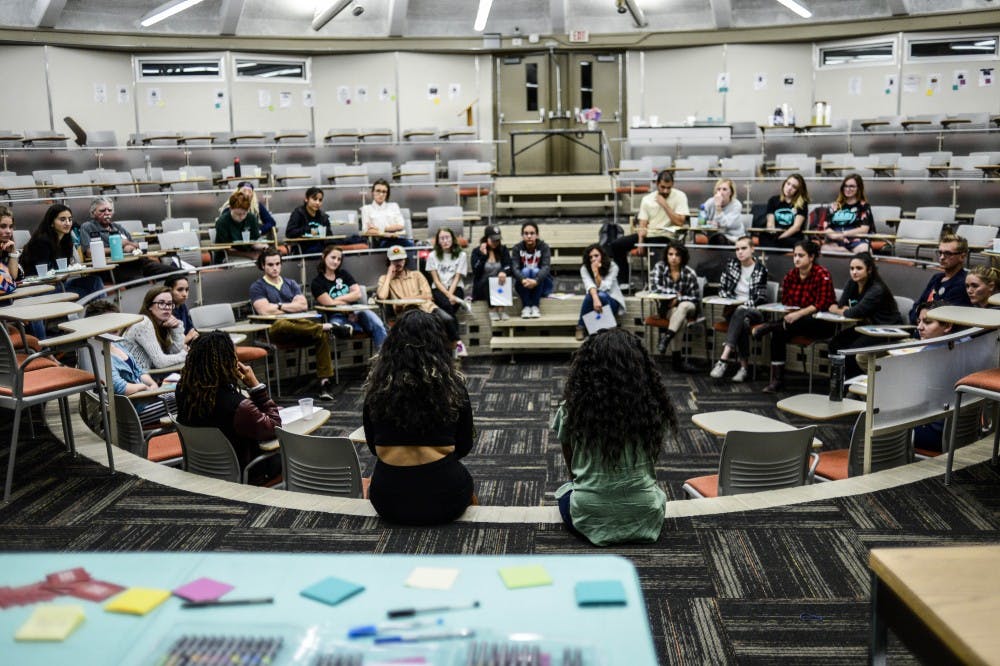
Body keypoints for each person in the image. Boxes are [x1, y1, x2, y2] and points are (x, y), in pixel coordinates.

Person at [553, 327, 677, 546]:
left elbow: (571, 464)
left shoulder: (572, 410)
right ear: (639, 368)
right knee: (652, 490)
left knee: (565, 494)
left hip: (588, 512)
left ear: (588, 368)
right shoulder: (652, 409)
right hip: (646, 512)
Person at [362, 309, 475, 525]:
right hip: (445, 496)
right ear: (437, 344)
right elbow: (465, 445)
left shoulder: (376, 387)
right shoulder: (453, 385)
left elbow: (372, 446)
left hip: (388, 499)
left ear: (392, 344)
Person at [175, 331, 282, 478]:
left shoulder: (183, 390)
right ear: (229, 361)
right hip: (247, 472)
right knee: (293, 453)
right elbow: (275, 428)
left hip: (203, 470)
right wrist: (256, 387)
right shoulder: (239, 407)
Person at [250, 248, 344, 401]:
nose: (275, 268)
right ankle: (322, 327)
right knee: (282, 323)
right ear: (262, 266)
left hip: (300, 328)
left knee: (321, 335)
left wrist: (278, 306)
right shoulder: (257, 287)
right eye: (270, 264)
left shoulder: (290, 283)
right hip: (273, 331)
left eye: (278, 264)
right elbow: (264, 311)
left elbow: (303, 305)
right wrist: (289, 306)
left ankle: (324, 383)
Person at [752, 240, 836, 393]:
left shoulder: (822, 274)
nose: (796, 259)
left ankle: (771, 325)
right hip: (794, 322)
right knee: (778, 334)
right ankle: (777, 380)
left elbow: (823, 303)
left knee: (801, 319)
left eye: (801, 255)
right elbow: (787, 302)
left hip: (820, 323)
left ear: (811, 257)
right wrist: (795, 313)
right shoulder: (791, 275)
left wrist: (799, 312)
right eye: (795, 255)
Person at [86, 299, 176, 429]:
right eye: (109, 322)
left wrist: (152, 383)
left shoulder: (117, 343)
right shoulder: (99, 354)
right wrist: (144, 388)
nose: (115, 326)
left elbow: (139, 371)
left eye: (115, 320)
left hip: (147, 399)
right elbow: (119, 388)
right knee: (185, 397)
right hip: (135, 412)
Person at [827, 253, 903, 376]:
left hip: (885, 329)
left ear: (869, 270)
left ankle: (851, 386)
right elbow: (842, 305)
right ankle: (837, 379)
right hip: (866, 327)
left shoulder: (877, 289)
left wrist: (840, 310)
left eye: (859, 268)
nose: (854, 272)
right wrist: (845, 310)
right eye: (852, 269)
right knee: (835, 343)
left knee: (852, 351)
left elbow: (853, 312)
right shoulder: (852, 283)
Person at [611, 170, 690, 284]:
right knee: (616, 245)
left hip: (666, 235)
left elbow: (680, 222)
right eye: (662, 187)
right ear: (657, 184)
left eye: (668, 188)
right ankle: (624, 282)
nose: (665, 191)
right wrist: (641, 242)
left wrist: (665, 205)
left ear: (672, 185)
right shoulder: (647, 199)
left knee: (656, 244)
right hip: (649, 234)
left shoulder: (680, 196)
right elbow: (643, 224)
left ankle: (655, 282)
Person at [708, 236, 769, 383]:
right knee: (743, 323)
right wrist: (732, 300)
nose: (739, 252)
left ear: (752, 249)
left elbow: (760, 298)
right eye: (737, 249)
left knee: (741, 311)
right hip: (734, 311)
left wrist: (743, 303)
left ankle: (724, 358)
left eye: (743, 248)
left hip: (755, 311)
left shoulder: (761, 269)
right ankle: (744, 368)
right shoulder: (731, 265)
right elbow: (722, 290)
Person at [376, 245, 460, 345]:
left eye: (400, 259)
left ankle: (454, 349)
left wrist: (405, 299)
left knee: (448, 319)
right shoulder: (384, 278)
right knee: (422, 328)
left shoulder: (417, 275)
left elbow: (428, 295)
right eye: (395, 260)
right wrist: (389, 275)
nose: (398, 263)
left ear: (405, 260)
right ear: (389, 262)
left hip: (427, 308)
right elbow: (382, 296)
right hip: (406, 312)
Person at [310, 244, 388, 349]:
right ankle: (353, 327)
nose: (336, 262)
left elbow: (358, 294)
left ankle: (385, 358)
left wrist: (338, 299)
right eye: (333, 258)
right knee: (339, 328)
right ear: (324, 256)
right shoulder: (317, 283)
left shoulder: (344, 274)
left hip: (357, 311)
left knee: (377, 324)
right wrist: (348, 300)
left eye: (339, 259)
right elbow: (329, 303)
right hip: (336, 316)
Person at [21, 203, 105, 300]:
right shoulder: (40, 242)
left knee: (95, 281)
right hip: (40, 289)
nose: (68, 223)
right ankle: (99, 310)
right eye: (62, 219)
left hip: (59, 284)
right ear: (51, 223)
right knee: (88, 292)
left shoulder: (66, 241)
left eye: (70, 219)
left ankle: (102, 310)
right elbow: (43, 275)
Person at [79, 196, 175, 279]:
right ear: (93, 212)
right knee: (139, 281)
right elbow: (90, 253)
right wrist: (120, 247)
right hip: (112, 267)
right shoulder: (88, 227)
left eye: (109, 210)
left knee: (175, 272)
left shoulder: (117, 227)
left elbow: (136, 245)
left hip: (137, 262)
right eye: (102, 210)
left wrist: (128, 245)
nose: (107, 213)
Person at [648, 240, 700, 372]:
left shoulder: (689, 273)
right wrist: (674, 295)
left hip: (690, 307)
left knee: (682, 306)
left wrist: (678, 298)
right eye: (670, 254)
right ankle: (677, 360)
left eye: (677, 255)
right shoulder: (659, 268)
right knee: (680, 320)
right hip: (669, 309)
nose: (673, 258)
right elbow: (654, 289)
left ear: (682, 257)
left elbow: (695, 297)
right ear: (666, 255)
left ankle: (666, 338)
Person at [426, 227, 471, 355]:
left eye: (447, 237)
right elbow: (436, 280)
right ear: (438, 241)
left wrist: (452, 294)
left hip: (456, 287)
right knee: (447, 306)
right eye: (442, 238)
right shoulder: (432, 256)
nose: (445, 241)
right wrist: (448, 295)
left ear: (452, 239)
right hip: (439, 288)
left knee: (446, 313)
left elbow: (457, 277)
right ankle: (458, 343)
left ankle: (450, 347)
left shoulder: (461, 255)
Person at [122, 286, 188, 372]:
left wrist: (176, 328)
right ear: (149, 306)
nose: (167, 307)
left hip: (147, 375)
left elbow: (173, 352)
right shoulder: (143, 323)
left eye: (169, 304)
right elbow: (160, 362)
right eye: (161, 303)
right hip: (133, 379)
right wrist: (185, 355)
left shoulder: (161, 323)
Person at [908, 233, 971, 323]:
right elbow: (917, 305)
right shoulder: (937, 278)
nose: (941, 257)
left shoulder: (963, 283)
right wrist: (919, 317)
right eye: (940, 252)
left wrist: (921, 318)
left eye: (948, 254)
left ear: (962, 256)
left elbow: (944, 319)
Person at [576, 243, 626, 341]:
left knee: (602, 295)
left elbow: (604, 287)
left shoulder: (613, 266)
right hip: (596, 301)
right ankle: (580, 327)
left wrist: (596, 272)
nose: (593, 259)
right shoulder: (584, 268)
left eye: (596, 256)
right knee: (590, 296)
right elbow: (589, 285)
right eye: (590, 257)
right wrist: (595, 299)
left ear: (602, 256)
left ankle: (607, 329)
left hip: (612, 300)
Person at [821, 173, 872, 255]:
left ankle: (848, 255)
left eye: (852, 186)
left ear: (858, 188)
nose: (848, 189)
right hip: (836, 241)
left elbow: (864, 229)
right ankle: (848, 254)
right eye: (845, 186)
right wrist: (837, 236)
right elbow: (827, 228)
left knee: (864, 250)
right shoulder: (834, 206)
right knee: (824, 249)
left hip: (856, 240)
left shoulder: (863, 206)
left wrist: (844, 234)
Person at [470, 224, 512, 321]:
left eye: (497, 240)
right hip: (482, 287)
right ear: (486, 239)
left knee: (502, 278)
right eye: (492, 240)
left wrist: (503, 272)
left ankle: (501, 309)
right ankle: (492, 309)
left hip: (499, 285)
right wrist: (483, 255)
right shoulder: (477, 252)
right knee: (488, 280)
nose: (495, 242)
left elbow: (509, 266)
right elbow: (476, 271)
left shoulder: (503, 250)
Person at [511, 222, 553, 319]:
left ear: (537, 235)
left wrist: (536, 280)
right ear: (522, 235)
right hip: (523, 284)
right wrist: (523, 279)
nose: (529, 236)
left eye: (532, 233)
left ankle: (535, 306)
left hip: (542, 285)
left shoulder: (544, 247)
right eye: (526, 233)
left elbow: (546, 267)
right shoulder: (517, 248)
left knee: (535, 271)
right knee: (525, 271)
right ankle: (526, 306)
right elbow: (515, 268)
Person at [213, 190, 269, 261]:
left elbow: (254, 242)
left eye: (244, 213)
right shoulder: (222, 222)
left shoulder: (251, 218)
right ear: (230, 208)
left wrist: (263, 247)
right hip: (227, 255)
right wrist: (251, 255)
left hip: (248, 251)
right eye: (238, 214)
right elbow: (227, 249)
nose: (242, 217)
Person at [361, 179, 412, 249]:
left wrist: (379, 228)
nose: (381, 194)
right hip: (380, 241)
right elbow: (366, 230)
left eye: (384, 192)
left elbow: (401, 225)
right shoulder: (366, 209)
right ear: (373, 192)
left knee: (410, 246)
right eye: (378, 191)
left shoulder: (394, 206)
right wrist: (385, 234)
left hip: (397, 238)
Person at [761, 173, 809, 248]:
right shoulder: (773, 200)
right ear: (784, 183)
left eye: (794, 187)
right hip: (776, 233)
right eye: (788, 184)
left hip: (791, 235)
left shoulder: (802, 203)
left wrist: (780, 238)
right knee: (763, 237)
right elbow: (770, 223)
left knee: (784, 242)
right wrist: (773, 233)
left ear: (798, 190)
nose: (789, 188)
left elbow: (796, 227)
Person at [286, 186, 333, 255]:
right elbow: (290, 233)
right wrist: (309, 230)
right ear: (306, 199)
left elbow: (329, 234)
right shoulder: (298, 213)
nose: (317, 203)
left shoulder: (323, 216)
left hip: (321, 245)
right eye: (314, 199)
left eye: (320, 200)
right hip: (303, 246)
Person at [700, 178, 744, 243]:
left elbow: (724, 225)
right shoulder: (710, 202)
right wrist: (708, 223)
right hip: (713, 237)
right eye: (718, 189)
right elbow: (701, 221)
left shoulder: (736, 205)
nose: (721, 192)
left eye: (724, 189)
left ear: (731, 192)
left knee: (719, 238)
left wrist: (718, 207)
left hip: (732, 237)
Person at [164, 274, 198, 345]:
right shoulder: (164, 311)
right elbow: (170, 347)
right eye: (180, 290)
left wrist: (195, 337)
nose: (185, 294)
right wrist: (188, 337)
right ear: (169, 291)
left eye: (187, 290)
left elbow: (190, 328)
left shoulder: (182, 305)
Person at [0, 205, 24, 282]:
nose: (8, 231)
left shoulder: (7, 247)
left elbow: (14, 278)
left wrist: (12, 252)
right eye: (3, 226)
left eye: (11, 227)